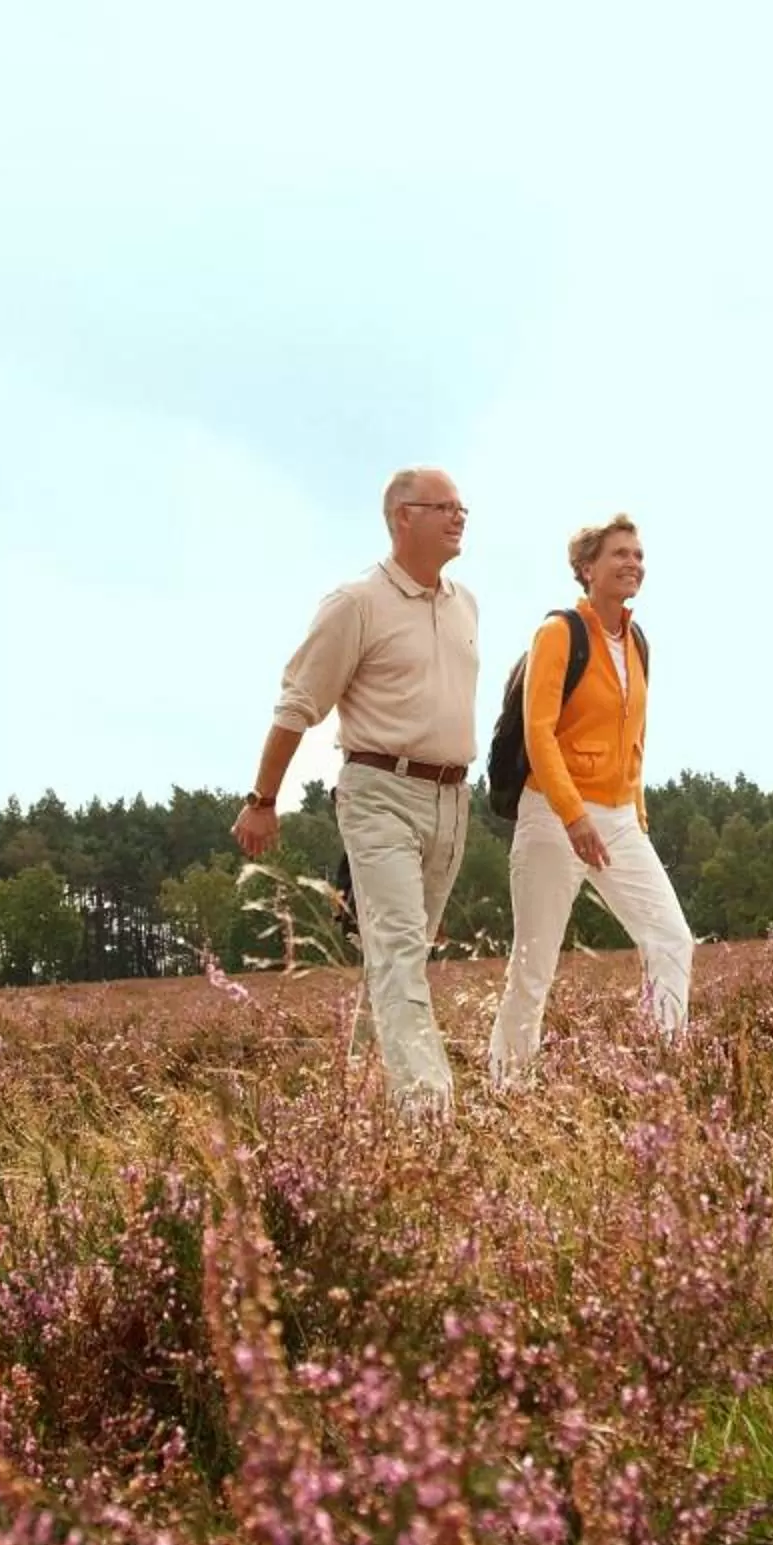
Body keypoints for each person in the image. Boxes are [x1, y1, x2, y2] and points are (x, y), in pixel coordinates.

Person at [231, 468, 483, 1115]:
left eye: (463, 508)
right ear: (403, 517)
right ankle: (430, 1112)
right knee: (399, 952)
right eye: (444, 507)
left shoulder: (465, 605)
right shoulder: (356, 603)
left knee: (400, 959)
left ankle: (360, 1103)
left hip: (453, 801)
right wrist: (263, 801)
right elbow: (297, 705)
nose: (460, 517)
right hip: (379, 793)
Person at [487, 514, 694, 1084]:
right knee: (534, 967)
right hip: (553, 816)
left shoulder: (637, 642)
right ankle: (507, 1088)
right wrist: (573, 814)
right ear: (586, 569)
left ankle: (663, 1073)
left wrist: (637, 813)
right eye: (619, 554)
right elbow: (538, 732)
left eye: (639, 555)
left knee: (671, 939)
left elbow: (635, 737)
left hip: (621, 818)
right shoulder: (558, 634)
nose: (633, 563)